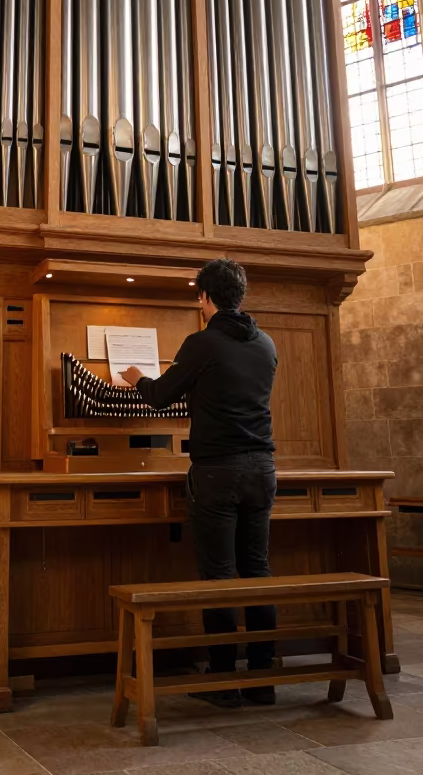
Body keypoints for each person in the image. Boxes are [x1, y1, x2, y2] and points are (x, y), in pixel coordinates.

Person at [121, 257, 278, 709]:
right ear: (241, 295)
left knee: (220, 575)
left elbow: (161, 396)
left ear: (204, 298)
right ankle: (263, 677)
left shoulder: (202, 343)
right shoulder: (266, 344)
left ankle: (224, 680)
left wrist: (136, 378)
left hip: (218, 471)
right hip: (263, 468)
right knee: (257, 570)